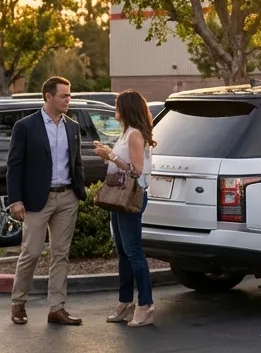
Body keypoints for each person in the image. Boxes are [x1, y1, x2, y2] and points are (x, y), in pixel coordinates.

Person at [6, 77, 86, 326]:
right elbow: (15, 165)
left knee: (61, 254)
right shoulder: (26, 126)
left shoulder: (72, 126)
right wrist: (16, 200)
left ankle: (57, 308)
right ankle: (18, 304)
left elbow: (77, 162)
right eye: (64, 96)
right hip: (36, 200)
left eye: (69, 96)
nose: (68, 100)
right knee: (30, 253)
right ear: (48, 97)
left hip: (67, 197)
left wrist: (79, 192)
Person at [93, 91, 158, 327]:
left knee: (134, 252)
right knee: (123, 252)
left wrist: (109, 155)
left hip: (131, 198)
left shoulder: (135, 135)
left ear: (127, 108)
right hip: (118, 198)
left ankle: (145, 305)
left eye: (117, 106)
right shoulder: (126, 133)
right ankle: (125, 302)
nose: (114, 110)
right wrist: (108, 153)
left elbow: (136, 170)